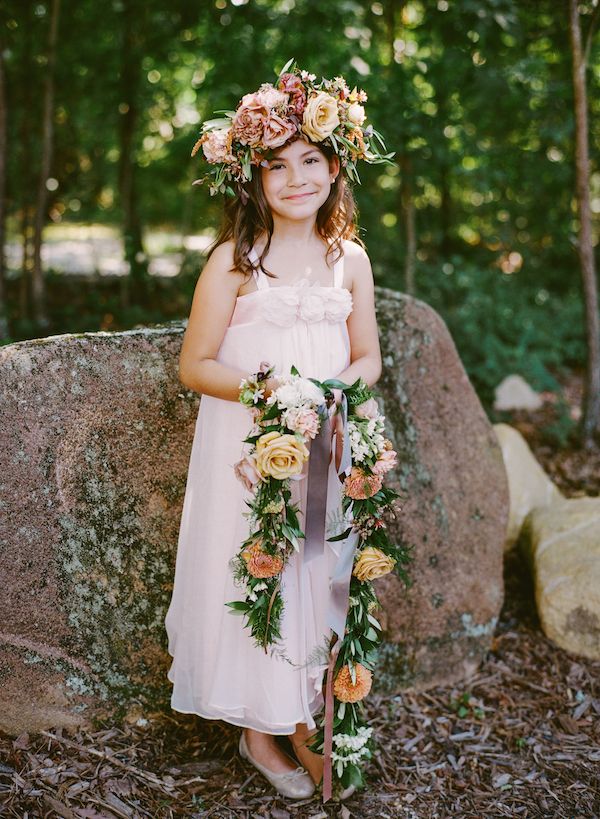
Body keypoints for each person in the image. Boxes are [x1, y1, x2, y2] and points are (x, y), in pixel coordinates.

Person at [165, 62, 391, 801]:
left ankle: (308, 711)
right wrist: (274, 391)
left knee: (319, 572)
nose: (296, 178)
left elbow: (368, 357)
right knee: (257, 568)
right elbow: (195, 364)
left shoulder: (347, 259)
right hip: (250, 450)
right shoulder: (234, 264)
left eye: (311, 161)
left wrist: (328, 396)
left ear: (335, 167)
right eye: (277, 166)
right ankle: (259, 728)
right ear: (253, 179)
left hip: (326, 441)